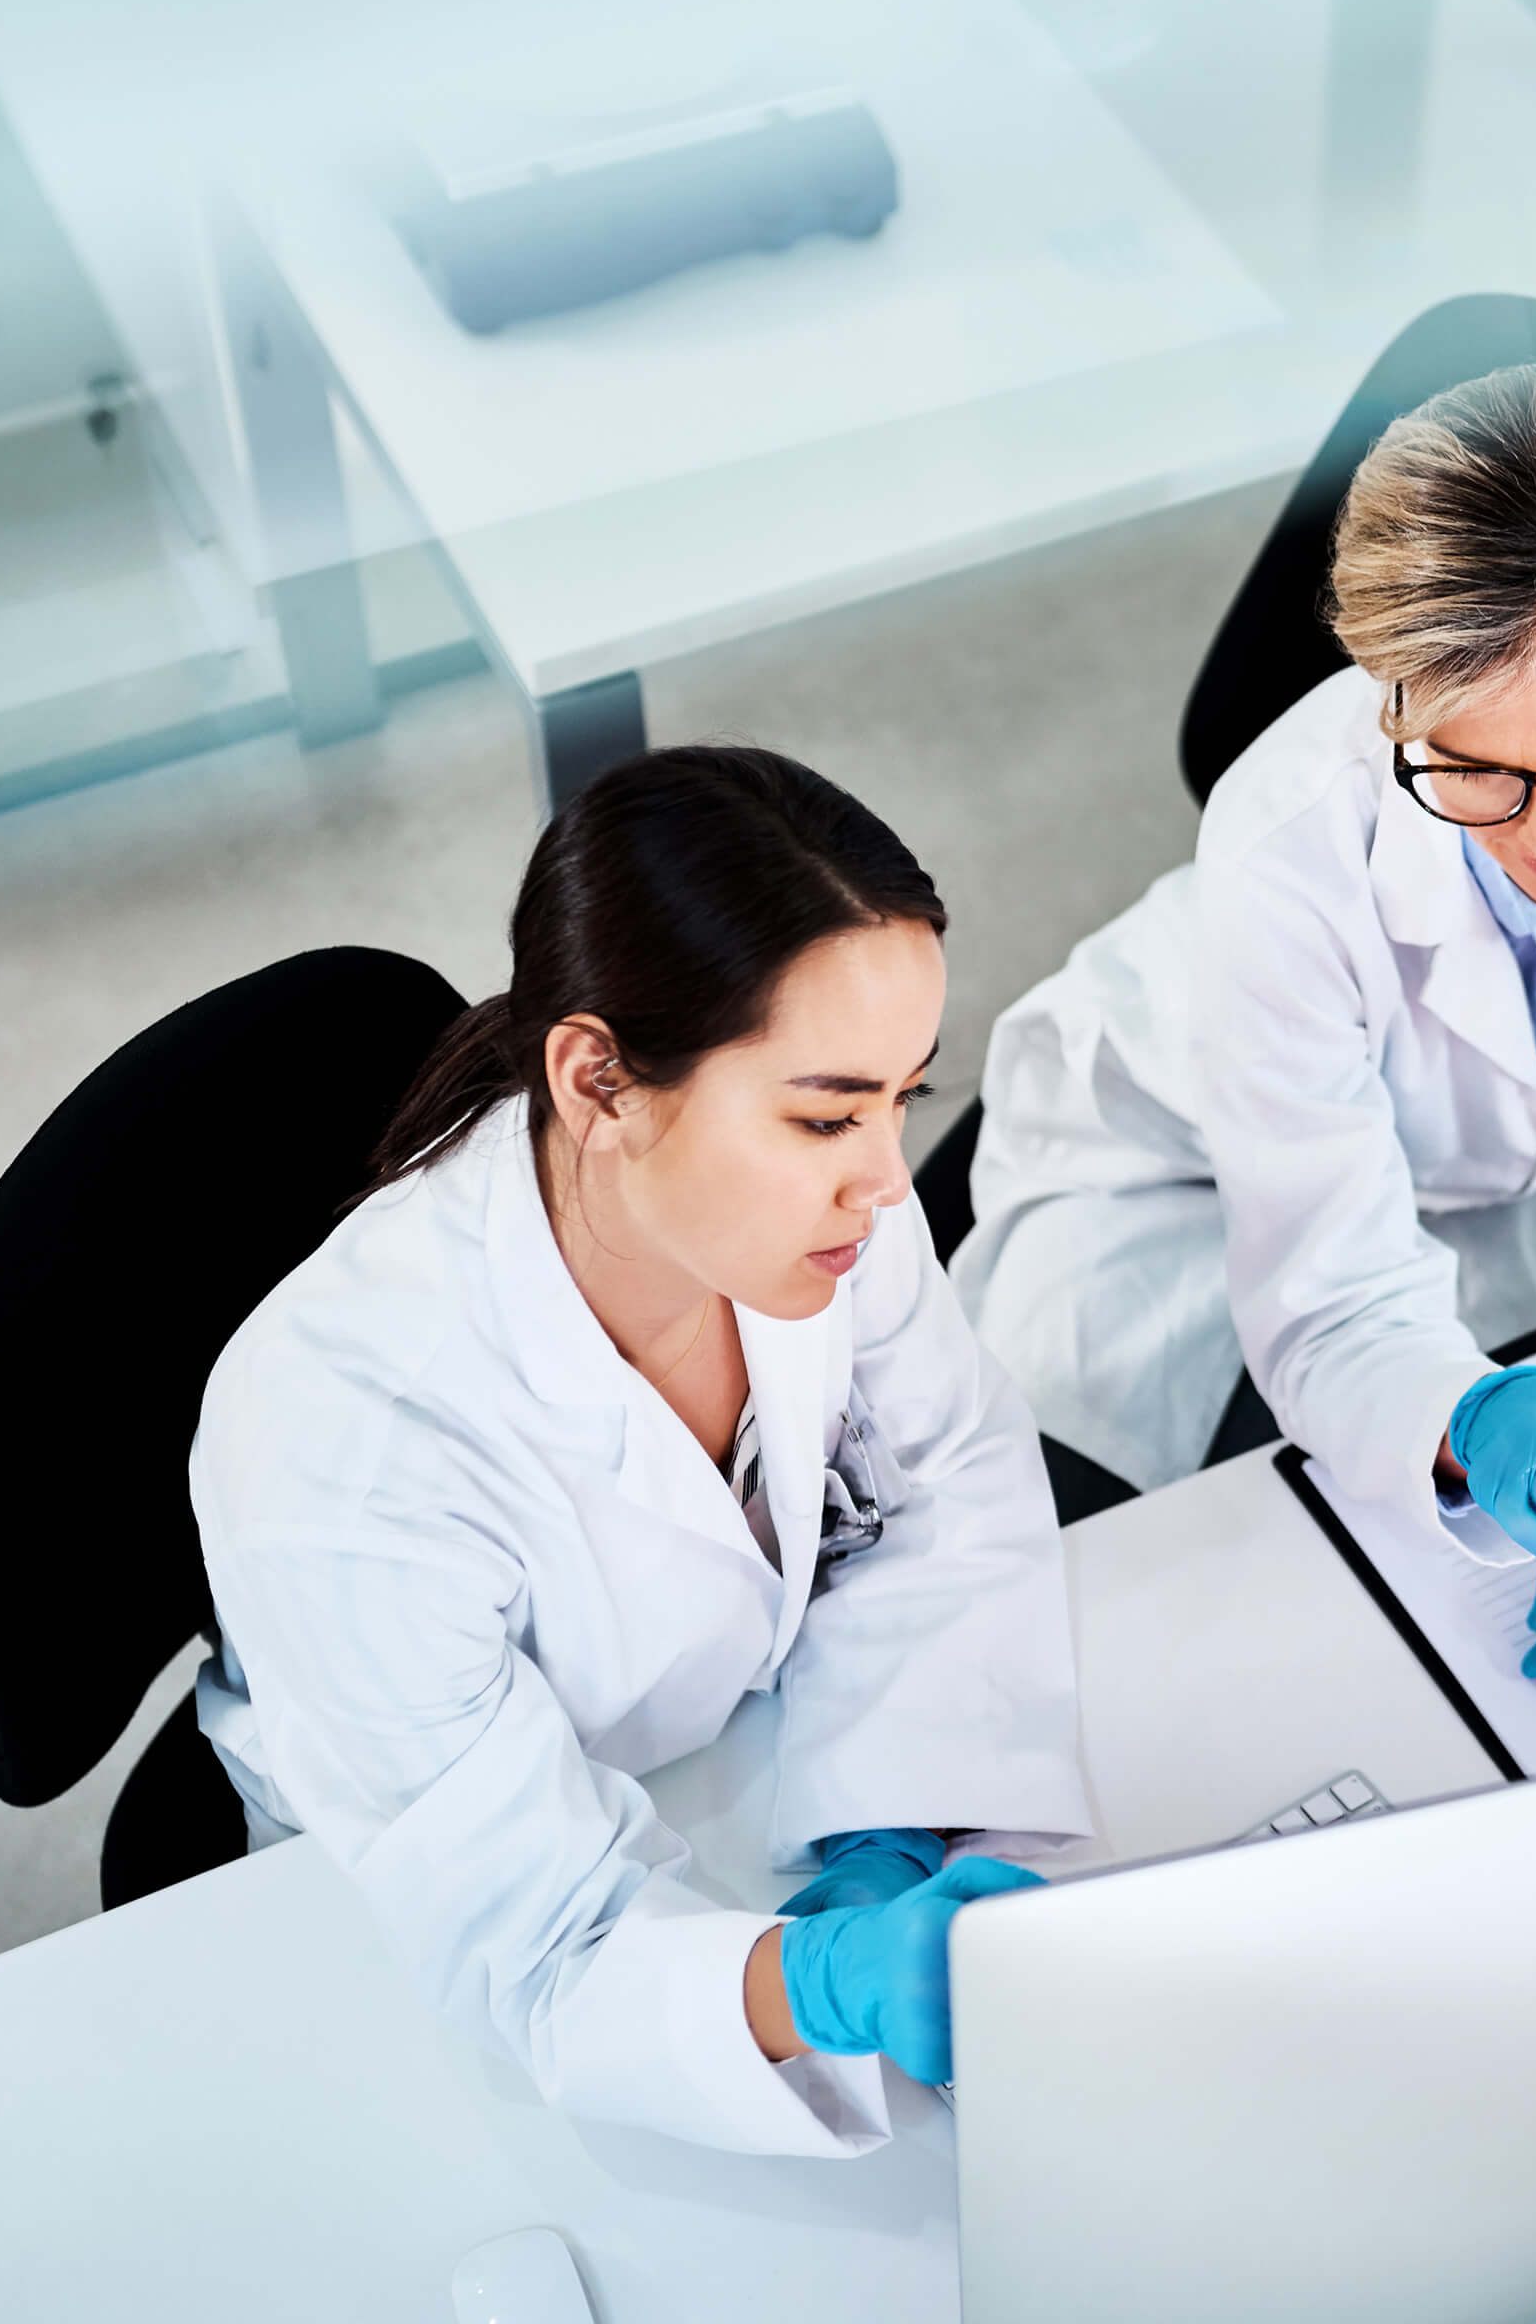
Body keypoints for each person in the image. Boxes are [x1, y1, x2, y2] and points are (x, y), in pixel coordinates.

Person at [955, 361, 1536, 1730]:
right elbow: (1332, 1287)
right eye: (1474, 769)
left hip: (1531, 1164)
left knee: (1433, 1633)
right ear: (1387, 693)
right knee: (1091, 1604)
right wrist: (1466, 1423)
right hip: (1167, 1142)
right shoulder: (1286, 841)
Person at [190, 747, 1089, 2158]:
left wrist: (892, 1828)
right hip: (409, 1937)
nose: (885, 1177)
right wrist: (816, 1988)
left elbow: (950, 1476)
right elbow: (537, 1952)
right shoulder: (342, 1448)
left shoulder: (819, 1217)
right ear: (599, 1080)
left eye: (901, 1100)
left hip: (742, 1773)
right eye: (824, 1113)